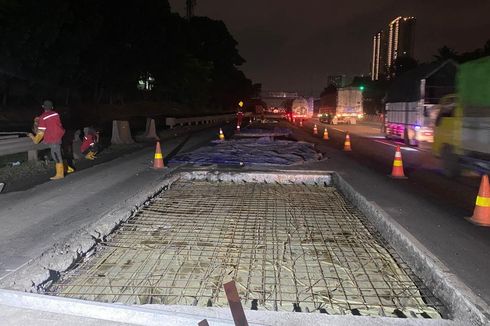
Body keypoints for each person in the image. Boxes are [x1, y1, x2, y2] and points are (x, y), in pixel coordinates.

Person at [29, 100, 72, 180]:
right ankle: (66, 168)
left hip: (53, 139)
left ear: (43, 107)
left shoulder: (43, 117)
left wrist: (35, 139)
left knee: (56, 155)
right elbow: (54, 124)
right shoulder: (56, 114)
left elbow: (41, 132)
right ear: (52, 107)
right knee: (57, 153)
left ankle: (60, 174)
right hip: (59, 136)